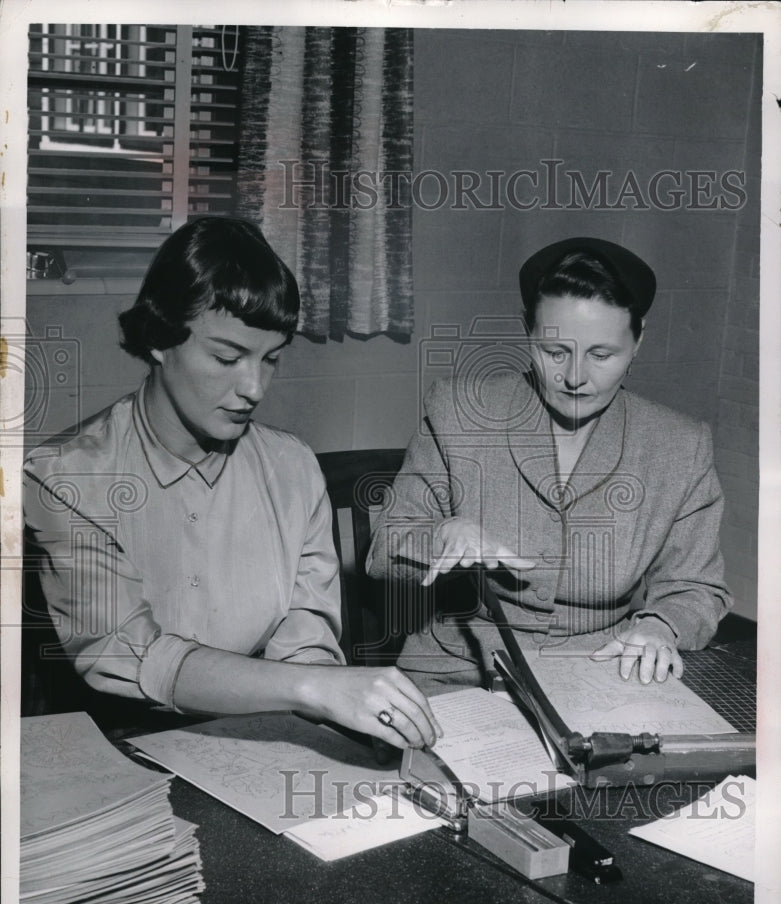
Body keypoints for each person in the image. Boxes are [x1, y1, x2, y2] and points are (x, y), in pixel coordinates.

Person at [23, 217, 439, 751]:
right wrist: (311, 688)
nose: (253, 388)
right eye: (226, 357)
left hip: (259, 734)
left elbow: (305, 641)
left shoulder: (292, 468)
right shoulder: (64, 477)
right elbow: (128, 653)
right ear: (158, 337)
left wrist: (326, 698)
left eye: (271, 360)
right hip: (115, 747)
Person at [366, 236, 732, 694]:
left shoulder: (679, 445)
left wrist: (662, 626)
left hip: (601, 671)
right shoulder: (458, 410)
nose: (575, 377)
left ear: (638, 342)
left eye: (602, 355)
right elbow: (386, 546)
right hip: (460, 668)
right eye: (555, 352)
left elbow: (695, 586)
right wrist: (439, 535)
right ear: (527, 333)